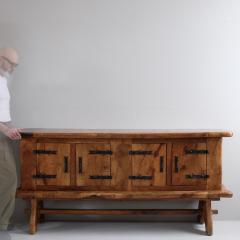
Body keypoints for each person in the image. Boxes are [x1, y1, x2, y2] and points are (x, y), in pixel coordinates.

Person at [0, 47, 23, 231]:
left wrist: (10, 127)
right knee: (9, 178)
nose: (13, 69)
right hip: (1, 132)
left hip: (4, 130)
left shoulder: (3, 78)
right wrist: (5, 130)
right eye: (11, 64)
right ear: (1, 58)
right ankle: (2, 224)